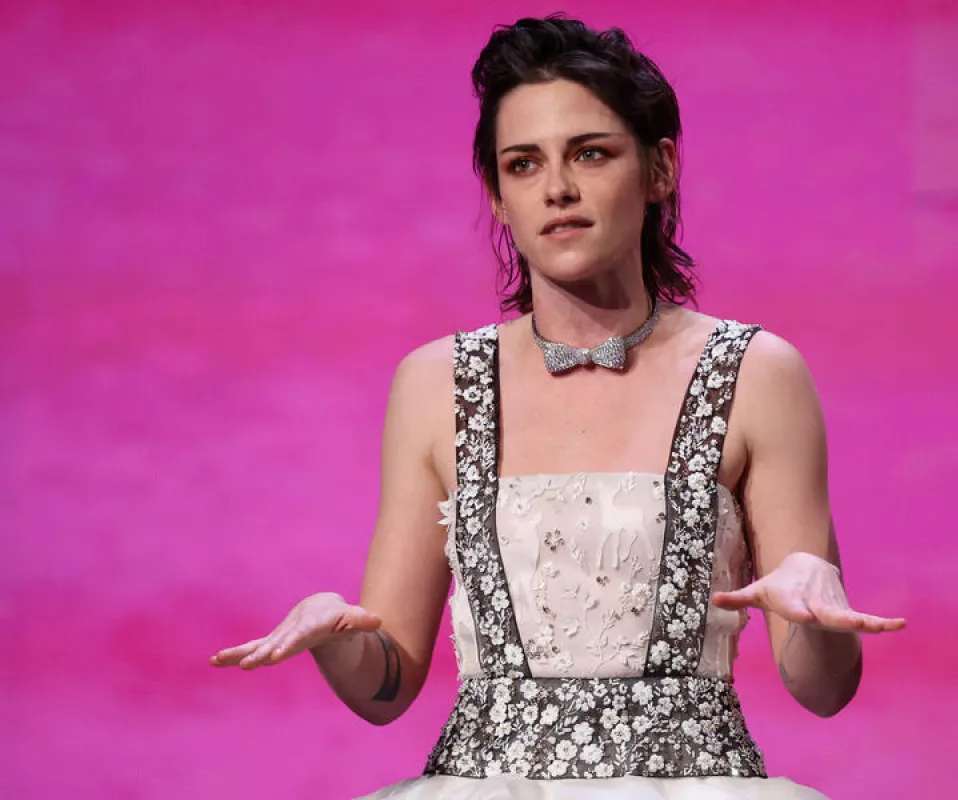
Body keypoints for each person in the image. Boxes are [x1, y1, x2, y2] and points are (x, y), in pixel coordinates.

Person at [211, 15, 905, 798]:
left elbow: (824, 690)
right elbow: (389, 686)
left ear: (661, 167)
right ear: (499, 199)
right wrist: (334, 637)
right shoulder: (434, 383)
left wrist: (814, 602)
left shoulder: (756, 373)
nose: (558, 189)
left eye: (591, 153)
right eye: (523, 164)